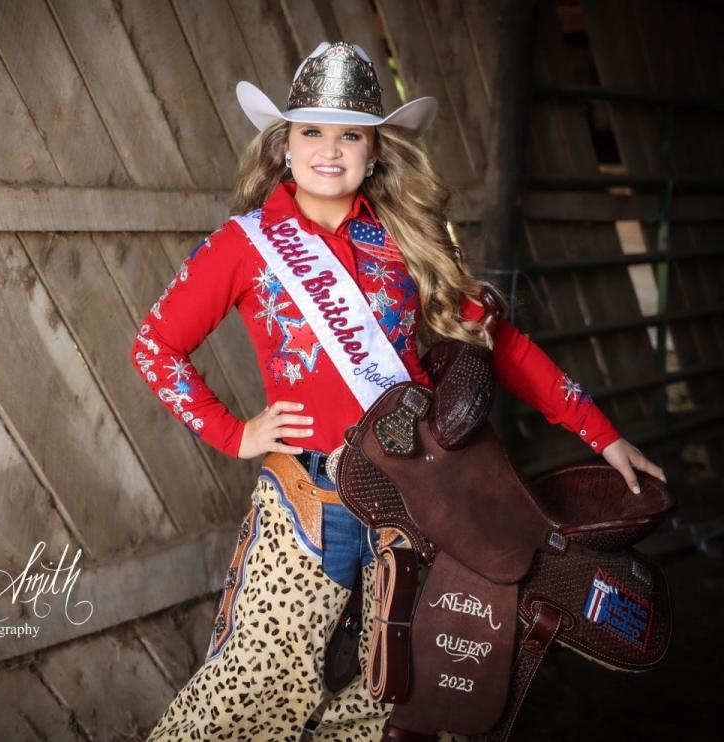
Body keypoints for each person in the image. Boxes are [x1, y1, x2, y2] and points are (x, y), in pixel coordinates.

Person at [132, 41, 665, 741]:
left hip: (421, 504)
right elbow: (154, 348)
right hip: (308, 500)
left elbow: (500, 345)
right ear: (284, 147)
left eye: (350, 133)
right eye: (311, 131)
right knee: (253, 684)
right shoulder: (244, 245)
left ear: (375, 151)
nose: (330, 149)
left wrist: (602, 432)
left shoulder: (408, 242)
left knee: (399, 688)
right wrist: (235, 433)